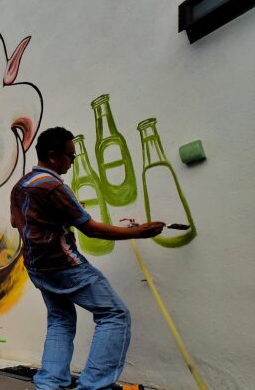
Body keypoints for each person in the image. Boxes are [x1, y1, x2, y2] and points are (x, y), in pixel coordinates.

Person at [10, 127, 165, 390]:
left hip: (37, 267)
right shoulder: (53, 186)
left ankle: (49, 384)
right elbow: (90, 229)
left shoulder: (21, 185)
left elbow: (17, 221)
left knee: (60, 319)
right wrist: (138, 231)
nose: (73, 161)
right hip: (64, 265)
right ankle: (94, 386)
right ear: (52, 156)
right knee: (114, 314)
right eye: (70, 156)